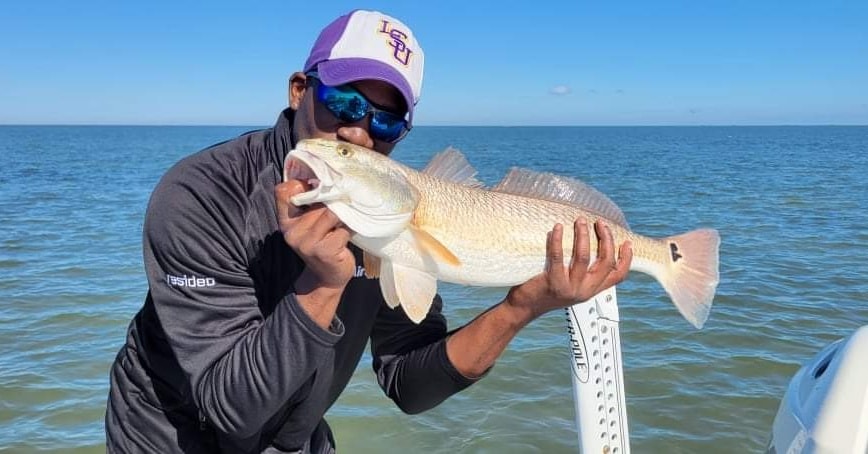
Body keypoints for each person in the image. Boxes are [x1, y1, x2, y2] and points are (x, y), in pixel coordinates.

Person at [105, 9, 632, 454]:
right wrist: (324, 282)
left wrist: (523, 306)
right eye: (344, 101)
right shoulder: (201, 195)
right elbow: (231, 411)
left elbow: (411, 381)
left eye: (385, 120)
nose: (358, 132)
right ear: (298, 90)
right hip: (166, 437)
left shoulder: (383, 214)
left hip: (297, 435)